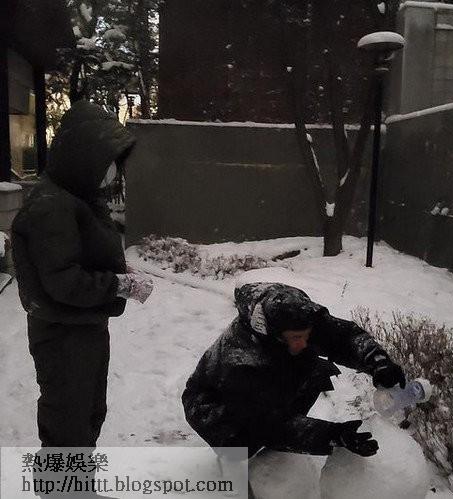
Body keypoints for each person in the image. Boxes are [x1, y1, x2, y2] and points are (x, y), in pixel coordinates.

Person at [11, 101, 153, 457]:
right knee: (67, 428)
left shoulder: (78, 198)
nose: (112, 172)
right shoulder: (51, 205)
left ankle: (77, 484)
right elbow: (63, 280)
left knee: (87, 418)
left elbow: (83, 254)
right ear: (84, 156)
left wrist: (120, 273)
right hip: (62, 336)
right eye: (107, 161)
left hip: (82, 329)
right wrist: (118, 285)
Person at [182, 282, 406, 460]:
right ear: (274, 334)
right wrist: (333, 435)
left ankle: (291, 424)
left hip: (268, 374)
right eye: (296, 338)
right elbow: (266, 424)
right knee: (244, 444)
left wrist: (377, 362)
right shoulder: (240, 361)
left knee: (316, 372)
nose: (303, 342)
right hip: (213, 404)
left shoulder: (297, 315)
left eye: (306, 335)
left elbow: (343, 337)